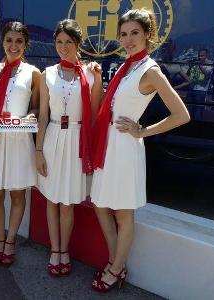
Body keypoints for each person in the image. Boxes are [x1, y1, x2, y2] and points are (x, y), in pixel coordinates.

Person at [90, 8, 190, 292]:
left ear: (148, 35)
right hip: (108, 145)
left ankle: (115, 268)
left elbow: (181, 115)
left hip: (124, 147)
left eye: (135, 33)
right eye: (124, 34)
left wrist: (143, 130)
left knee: (122, 213)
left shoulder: (150, 70)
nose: (128, 39)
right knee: (100, 205)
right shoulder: (127, 66)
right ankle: (116, 261)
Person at [35, 19, 102, 276]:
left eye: (69, 42)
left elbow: (94, 115)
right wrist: (38, 150)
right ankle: (56, 250)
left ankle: (65, 250)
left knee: (68, 203)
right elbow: (42, 115)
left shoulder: (90, 74)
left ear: (78, 44)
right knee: (52, 200)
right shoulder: (47, 74)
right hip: (53, 137)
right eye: (59, 42)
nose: (63, 47)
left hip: (76, 141)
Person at [0, 21, 40, 266]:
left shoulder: (33, 72)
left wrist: (27, 117)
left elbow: (36, 107)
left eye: (19, 41)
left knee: (17, 195)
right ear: (2, 42)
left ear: (25, 45)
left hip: (19, 141)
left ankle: (11, 240)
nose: (13, 46)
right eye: (9, 40)